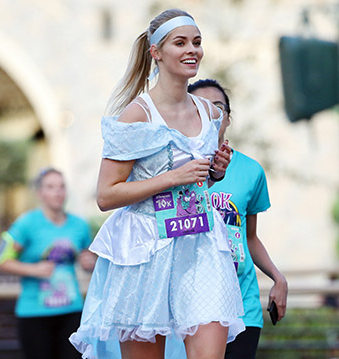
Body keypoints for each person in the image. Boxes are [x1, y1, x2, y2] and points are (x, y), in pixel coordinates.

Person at [69, 8, 241, 359]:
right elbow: (106, 195)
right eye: (180, 43)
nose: (192, 50)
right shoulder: (136, 115)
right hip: (146, 247)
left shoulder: (211, 115)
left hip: (202, 245)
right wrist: (171, 178)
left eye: (196, 42)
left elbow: (198, 182)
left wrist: (215, 172)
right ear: (156, 52)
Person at [189, 79, 288, 359]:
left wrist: (278, 279)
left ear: (228, 119)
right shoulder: (176, 167)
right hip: (192, 304)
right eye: (199, 106)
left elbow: (249, 236)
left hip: (242, 305)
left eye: (218, 107)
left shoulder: (250, 171)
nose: (210, 113)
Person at [0, 168, 96, 359]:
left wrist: (90, 262)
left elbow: (88, 259)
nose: (58, 192)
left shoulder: (80, 225)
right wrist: (33, 269)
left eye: (61, 186)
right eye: (50, 187)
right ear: (39, 193)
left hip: (71, 311)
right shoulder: (26, 224)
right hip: (34, 314)